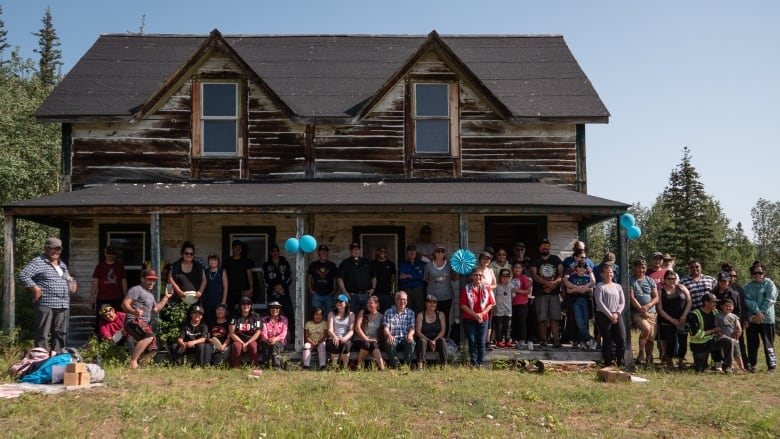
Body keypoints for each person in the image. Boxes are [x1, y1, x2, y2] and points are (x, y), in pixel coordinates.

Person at [19, 237, 78, 354]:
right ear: (46, 248)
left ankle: (57, 358)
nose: (55, 251)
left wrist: (73, 283)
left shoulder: (62, 265)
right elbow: (23, 275)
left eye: (58, 249)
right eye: (52, 248)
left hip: (62, 304)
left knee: (60, 333)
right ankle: (41, 359)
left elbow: (68, 278)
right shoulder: (38, 262)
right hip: (46, 303)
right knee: (43, 333)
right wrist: (35, 288)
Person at [122, 269, 172, 369]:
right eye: (149, 280)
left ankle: (139, 366)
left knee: (153, 348)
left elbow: (156, 309)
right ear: (142, 279)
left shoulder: (150, 295)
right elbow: (124, 304)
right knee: (149, 336)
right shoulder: (136, 290)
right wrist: (134, 312)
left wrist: (166, 297)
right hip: (134, 321)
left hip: (144, 324)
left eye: (154, 280)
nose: (152, 282)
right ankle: (133, 362)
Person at [743, 262, 777, 373]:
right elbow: (747, 300)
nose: (757, 275)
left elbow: (770, 299)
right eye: (755, 273)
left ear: (764, 273)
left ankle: (771, 366)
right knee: (752, 344)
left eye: (760, 273)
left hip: (767, 319)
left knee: (768, 343)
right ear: (751, 273)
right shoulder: (747, 287)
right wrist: (757, 312)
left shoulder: (770, 284)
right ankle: (752, 365)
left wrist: (760, 312)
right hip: (752, 319)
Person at [529, 238, 563, 348]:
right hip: (540, 293)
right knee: (541, 318)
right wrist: (548, 284)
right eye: (543, 245)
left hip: (554, 293)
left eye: (547, 245)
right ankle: (543, 340)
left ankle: (556, 340)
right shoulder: (535, 260)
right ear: (539, 247)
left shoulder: (555, 259)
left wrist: (553, 283)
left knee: (555, 318)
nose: (545, 247)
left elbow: (561, 274)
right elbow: (534, 275)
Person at [687, 293, 732, 373]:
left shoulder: (715, 312)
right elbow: (696, 334)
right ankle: (705, 364)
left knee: (727, 342)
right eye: (713, 302)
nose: (715, 304)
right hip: (699, 345)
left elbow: (727, 320)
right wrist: (714, 330)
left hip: (712, 341)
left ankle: (727, 366)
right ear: (706, 302)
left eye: (716, 302)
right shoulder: (694, 314)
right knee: (700, 370)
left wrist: (736, 327)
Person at [656, 271, 692, 369]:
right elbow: (659, 308)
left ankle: (681, 361)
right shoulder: (660, 291)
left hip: (682, 319)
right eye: (669, 279)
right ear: (664, 280)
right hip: (667, 320)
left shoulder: (681, 288)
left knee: (683, 341)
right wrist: (671, 320)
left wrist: (684, 315)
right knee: (670, 341)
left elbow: (689, 301)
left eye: (674, 279)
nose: (672, 281)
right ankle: (669, 360)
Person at [593, 264, 626, 367]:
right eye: (607, 272)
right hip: (603, 315)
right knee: (607, 338)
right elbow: (599, 302)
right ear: (602, 274)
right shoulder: (599, 286)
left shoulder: (618, 286)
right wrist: (609, 315)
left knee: (621, 338)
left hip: (616, 315)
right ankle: (608, 362)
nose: (609, 274)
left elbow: (622, 302)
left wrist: (616, 313)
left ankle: (620, 361)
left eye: (611, 272)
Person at [460, 271, 495, 367]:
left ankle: (481, 363)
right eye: (476, 275)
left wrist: (482, 314)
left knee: (481, 341)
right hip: (469, 318)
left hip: (483, 318)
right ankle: (473, 362)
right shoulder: (466, 289)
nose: (478, 277)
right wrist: (476, 315)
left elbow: (491, 304)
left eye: (480, 275)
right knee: (472, 340)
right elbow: (463, 305)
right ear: (471, 276)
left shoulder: (486, 288)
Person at [263, 244, 295, 344]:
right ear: (270, 253)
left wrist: (282, 286)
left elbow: (289, 277)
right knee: (270, 316)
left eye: (276, 251)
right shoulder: (266, 264)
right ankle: (268, 339)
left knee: (289, 315)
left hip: (284, 293)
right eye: (273, 251)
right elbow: (264, 279)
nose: (275, 252)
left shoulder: (284, 263)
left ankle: (293, 339)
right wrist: (275, 287)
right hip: (272, 293)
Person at [629, 260, 659, 366]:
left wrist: (647, 306)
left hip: (651, 312)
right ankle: (641, 353)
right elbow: (631, 297)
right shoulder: (630, 279)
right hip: (637, 313)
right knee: (646, 329)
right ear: (634, 268)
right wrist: (641, 309)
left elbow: (656, 297)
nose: (641, 270)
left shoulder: (650, 280)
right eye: (639, 267)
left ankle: (649, 356)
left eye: (643, 267)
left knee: (651, 336)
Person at [90, 245, 128, 330]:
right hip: (103, 298)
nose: (110, 255)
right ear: (105, 254)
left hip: (117, 297)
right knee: (102, 318)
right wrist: (92, 297)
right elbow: (95, 282)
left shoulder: (120, 267)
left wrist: (126, 296)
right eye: (109, 253)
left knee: (117, 318)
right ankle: (101, 338)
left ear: (115, 254)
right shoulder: (99, 267)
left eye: (113, 253)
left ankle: (117, 338)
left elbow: (123, 282)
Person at [424, 244, 458, 334]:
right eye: (438, 251)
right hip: (432, 296)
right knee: (432, 316)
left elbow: (454, 279)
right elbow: (426, 279)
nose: (440, 253)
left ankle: (444, 338)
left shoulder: (450, 264)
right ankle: (433, 337)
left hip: (446, 296)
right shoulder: (428, 265)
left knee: (445, 317)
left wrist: (456, 271)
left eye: (442, 251)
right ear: (434, 253)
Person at [563, 260, 596, 350]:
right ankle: (590, 338)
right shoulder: (572, 278)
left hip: (586, 301)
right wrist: (577, 289)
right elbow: (568, 290)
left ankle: (583, 342)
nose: (581, 269)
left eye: (583, 267)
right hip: (575, 301)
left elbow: (591, 290)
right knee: (579, 322)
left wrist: (585, 289)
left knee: (585, 322)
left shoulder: (588, 278)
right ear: (576, 268)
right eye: (579, 267)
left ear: (586, 269)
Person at [337, 242, 376, 317]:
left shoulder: (367, 262)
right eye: (354, 249)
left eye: (357, 249)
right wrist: (345, 292)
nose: (356, 251)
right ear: (350, 251)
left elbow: (373, 277)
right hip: (352, 296)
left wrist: (373, 289)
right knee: (352, 316)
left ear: (360, 250)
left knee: (366, 316)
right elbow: (340, 279)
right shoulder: (345, 263)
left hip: (365, 295)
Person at [383, 291, 417, 368]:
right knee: (389, 342)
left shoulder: (411, 313)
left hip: (405, 338)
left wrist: (410, 335)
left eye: (404, 299)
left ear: (407, 301)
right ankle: (396, 365)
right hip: (393, 337)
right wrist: (389, 335)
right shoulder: (388, 312)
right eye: (400, 299)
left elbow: (412, 328)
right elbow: (386, 328)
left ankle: (406, 366)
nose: (402, 301)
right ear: (395, 300)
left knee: (411, 342)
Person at [228, 296, 263, 368]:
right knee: (236, 346)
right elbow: (232, 333)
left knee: (253, 346)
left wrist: (247, 343)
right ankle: (235, 367)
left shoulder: (256, 316)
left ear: (251, 306)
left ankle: (254, 367)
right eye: (243, 304)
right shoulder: (234, 316)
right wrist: (242, 343)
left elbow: (258, 332)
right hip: (238, 339)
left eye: (248, 304)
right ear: (240, 306)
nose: (246, 306)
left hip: (251, 339)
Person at [223, 239, 255, 313]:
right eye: (236, 247)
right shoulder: (227, 261)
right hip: (230, 290)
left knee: (244, 310)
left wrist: (251, 289)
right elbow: (223, 275)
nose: (238, 249)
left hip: (243, 290)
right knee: (229, 310)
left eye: (239, 247)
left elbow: (249, 275)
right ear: (232, 248)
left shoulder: (246, 261)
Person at [415, 295, 447, 368]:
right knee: (422, 341)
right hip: (425, 340)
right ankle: (420, 366)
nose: (432, 304)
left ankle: (444, 366)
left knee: (442, 340)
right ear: (425, 304)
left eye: (434, 302)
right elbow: (418, 332)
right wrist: (429, 341)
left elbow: (443, 331)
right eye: (429, 302)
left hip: (436, 339)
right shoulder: (420, 315)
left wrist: (434, 341)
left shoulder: (441, 314)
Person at [354, 296, 385, 370]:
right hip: (360, 339)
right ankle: (358, 366)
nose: (368, 304)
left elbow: (383, 330)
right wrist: (366, 338)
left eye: (370, 303)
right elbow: (357, 328)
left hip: (374, 340)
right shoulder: (363, 312)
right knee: (366, 344)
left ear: (376, 304)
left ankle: (382, 368)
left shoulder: (381, 316)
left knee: (373, 344)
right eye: (367, 303)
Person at [307, 244, 338, 316]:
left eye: (325, 251)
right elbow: (309, 278)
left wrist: (335, 291)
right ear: (318, 253)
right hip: (317, 294)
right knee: (316, 314)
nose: (323, 253)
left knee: (329, 315)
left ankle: (328, 327)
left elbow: (337, 279)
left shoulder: (332, 265)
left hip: (329, 294)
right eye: (322, 251)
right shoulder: (313, 265)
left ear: (327, 253)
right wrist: (311, 290)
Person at [327, 294, 354, 369]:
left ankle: (345, 367)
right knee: (334, 344)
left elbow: (351, 330)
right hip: (333, 337)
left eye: (340, 301)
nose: (338, 303)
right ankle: (334, 367)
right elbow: (330, 330)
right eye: (337, 301)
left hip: (345, 337)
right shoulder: (331, 314)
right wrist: (335, 337)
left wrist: (345, 338)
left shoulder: (351, 314)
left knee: (346, 344)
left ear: (346, 303)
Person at [716, 299, 744, 372]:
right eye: (726, 306)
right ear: (721, 306)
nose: (728, 308)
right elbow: (717, 329)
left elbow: (739, 327)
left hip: (734, 339)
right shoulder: (718, 316)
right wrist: (725, 337)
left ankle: (742, 368)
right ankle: (729, 367)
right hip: (724, 339)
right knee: (727, 354)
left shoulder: (734, 316)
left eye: (730, 306)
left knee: (737, 353)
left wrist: (737, 335)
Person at [509, 261, 532, 350]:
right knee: (514, 323)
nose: (517, 269)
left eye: (519, 267)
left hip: (522, 303)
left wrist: (517, 291)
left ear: (522, 269)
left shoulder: (524, 278)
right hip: (511, 303)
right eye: (515, 267)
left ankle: (522, 341)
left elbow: (528, 291)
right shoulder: (510, 278)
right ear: (512, 269)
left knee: (522, 322)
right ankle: (515, 340)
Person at [398, 244, 426, 315]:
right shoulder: (403, 264)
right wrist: (414, 276)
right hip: (406, 289)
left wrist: (408, 275)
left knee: (419, 310)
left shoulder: (421, 264)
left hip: (418, 289)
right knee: (407, 309)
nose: (411, 252)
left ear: (416, 252)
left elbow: (422, 277)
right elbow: (402, 278)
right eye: (409, 251)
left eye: (413, 250)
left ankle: (419, 325)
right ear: (407, 253)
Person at [261, 301, 289, 370]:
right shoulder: (264, 319)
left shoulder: (284, 319)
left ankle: (276, 367)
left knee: (275, 345)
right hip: (267, 340)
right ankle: (265, 366)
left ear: (280, 309)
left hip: (280, 341)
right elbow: (263, 332)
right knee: (265, 345)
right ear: (269, 309)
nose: (274, 310)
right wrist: (267, 340)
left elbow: (284, 333)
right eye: (272, 308)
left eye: (277, 308)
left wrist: (275, 339)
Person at [202, 254, 227, 328]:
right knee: (207, 319)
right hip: (207, 300)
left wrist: (223, 301)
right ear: (208, 262)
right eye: (211, 260)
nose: (213, 262)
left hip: (219, 301)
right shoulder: (205, 272)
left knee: (217, 320)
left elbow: (226, 287)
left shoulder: (222, 271)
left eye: (214, 260)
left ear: (218, 261)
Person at [492, 269, 513, 348]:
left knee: (508, 326)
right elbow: (493, 296)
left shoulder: (511, 286)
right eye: (503, 277)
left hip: (508, 311)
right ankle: (499, 340)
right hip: (499, 310)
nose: (505, 279)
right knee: (499, 326)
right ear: (500, 277)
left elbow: (513, 296)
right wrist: (494, 306)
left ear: (509, 278)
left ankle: (508, 340)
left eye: (507, 277)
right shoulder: (497, 286)